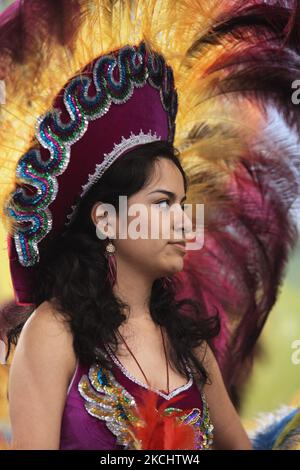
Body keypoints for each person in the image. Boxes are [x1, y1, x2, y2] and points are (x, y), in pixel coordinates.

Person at [0, 0, 299, 450]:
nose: (184, 223)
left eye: (183, 204)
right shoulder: (53, 332)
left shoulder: (190, 346)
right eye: (163, 203)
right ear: (105, 219)